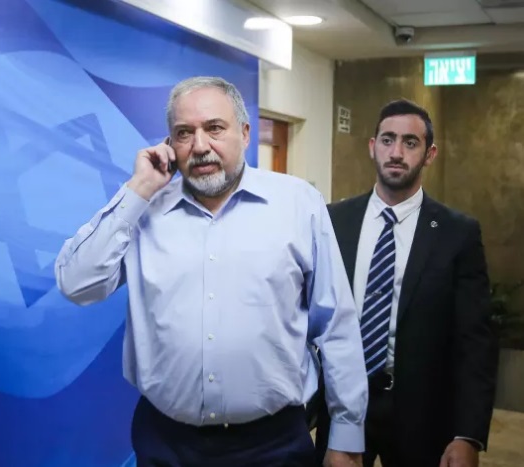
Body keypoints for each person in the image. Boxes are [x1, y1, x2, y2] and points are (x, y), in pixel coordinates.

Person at [54, 76, 368, 467]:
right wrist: (138, 188)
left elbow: (336, 325)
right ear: (169, 143)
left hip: (273, 445)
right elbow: (77, 284)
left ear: (245, 133)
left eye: (214, 128)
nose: (200, 146)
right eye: (184, 133)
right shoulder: (144, 211)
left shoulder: (299, 204)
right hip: (168, 445)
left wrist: (346, 438)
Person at [314, 99, 499, 466]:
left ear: (430, 154)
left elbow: (475, 341)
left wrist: (468, 435)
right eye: (387, 140)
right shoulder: (333, 221)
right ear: (372, 146)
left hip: (423, 416)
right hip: (343, 405)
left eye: (410, 142)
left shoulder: (457, 233)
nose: (396, 152)